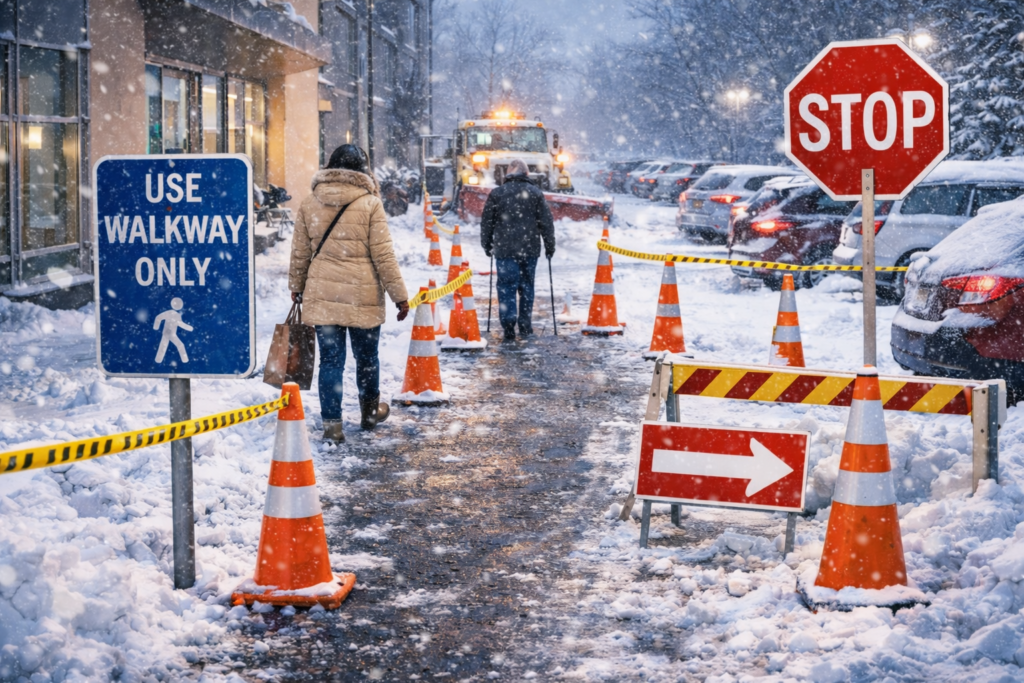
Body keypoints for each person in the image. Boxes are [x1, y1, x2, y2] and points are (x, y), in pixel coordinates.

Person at [289, 145, 409, 444]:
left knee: (330, 361)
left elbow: (300, 252)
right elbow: (384, 256)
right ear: (363, 170)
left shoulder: (309, 203)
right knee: (367, 357)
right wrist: (400, 296)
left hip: (323, 293)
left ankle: (332, 425)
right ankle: (369, 414)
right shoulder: (370, 203)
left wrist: (296, 285)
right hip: (362, 294)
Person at [480, 159, 556, 342]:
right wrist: (549, 245)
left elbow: (487, 222)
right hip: (529, 250)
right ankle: (525, 325)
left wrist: (487, 243)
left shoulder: (497, 193)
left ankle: (508, 326)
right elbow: (546, 223)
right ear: (526, 174)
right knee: (527, 287)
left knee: (506, 287)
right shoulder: (536, 193)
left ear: (508, 173)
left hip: (505, 250)